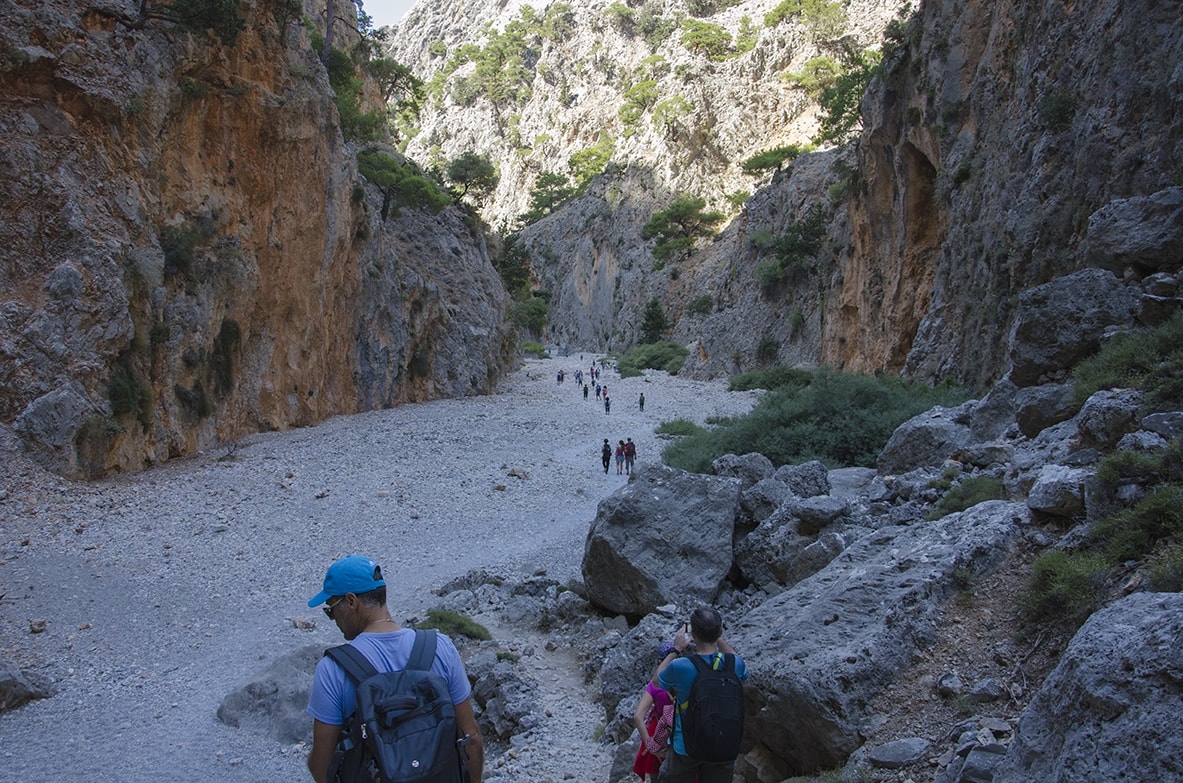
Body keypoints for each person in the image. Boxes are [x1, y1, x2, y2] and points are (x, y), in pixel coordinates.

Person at [305, 554, 485, 783]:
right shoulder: (441, 647)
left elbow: (321, 765)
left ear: (351, 601)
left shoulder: (332, 669)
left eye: (330, 610)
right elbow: (471, 737)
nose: (333, 619)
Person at [653, 606, 747, 783]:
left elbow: (657, 681)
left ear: (693, 635)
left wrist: (676, 649)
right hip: (723, 743)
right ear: (720, 631)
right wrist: (717, 637)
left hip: (686, 746)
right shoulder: (734, 664)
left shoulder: (681, 666)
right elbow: (739, 663)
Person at [632, 645, 676, 781]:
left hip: (658, 735)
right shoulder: (684, 682)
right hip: (680, 735)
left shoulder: (654, 686)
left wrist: (652, 747)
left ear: (659, 662)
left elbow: (638, 717)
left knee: (656, 776)